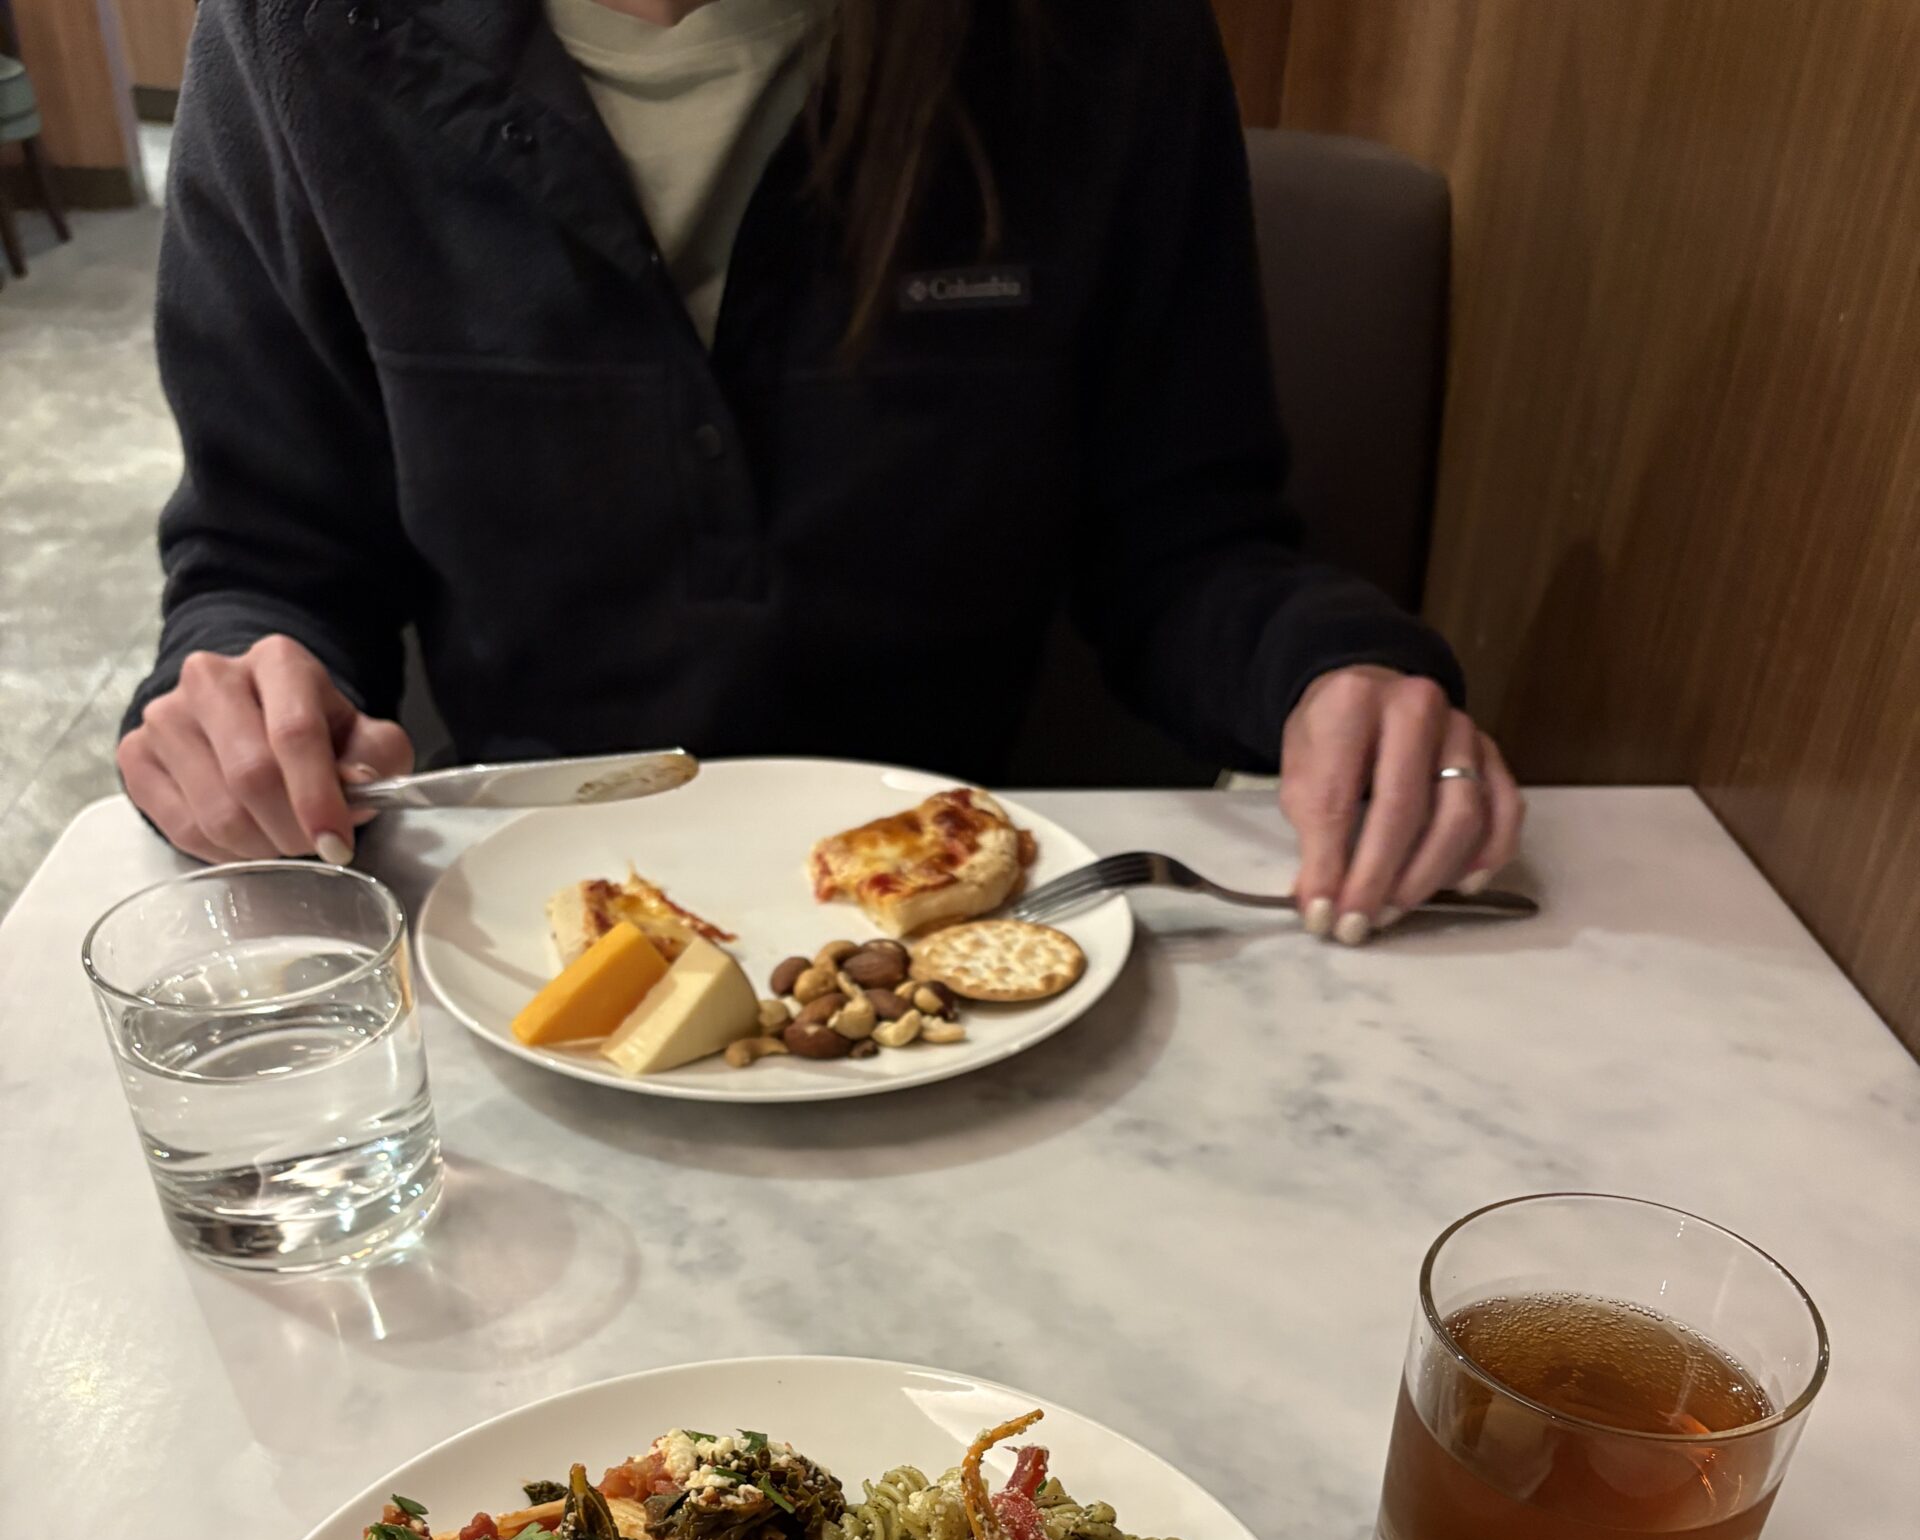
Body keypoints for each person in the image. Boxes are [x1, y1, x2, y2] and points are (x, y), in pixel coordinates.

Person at [118, 0, 1522, 943]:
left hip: (975, 915)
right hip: (517, 926)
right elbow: (274, 553)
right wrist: (242, 696)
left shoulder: (1094, 35)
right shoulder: (293, 35)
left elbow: (1184, 536)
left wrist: (1329, 673)